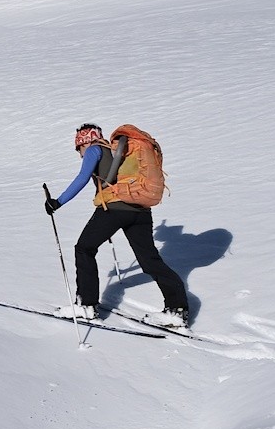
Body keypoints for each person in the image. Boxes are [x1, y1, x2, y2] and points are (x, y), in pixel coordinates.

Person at [44, 123, 190, 326]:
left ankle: (87, 306)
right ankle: (177, 309)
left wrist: (57, 202)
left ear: (83, 142)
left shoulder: (94, 150)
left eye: (79, 148)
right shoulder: (119, 152)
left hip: (113, 210)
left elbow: (82, 178)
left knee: (84, 248)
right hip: (141, 211)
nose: (79, 154)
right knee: (149, 260)